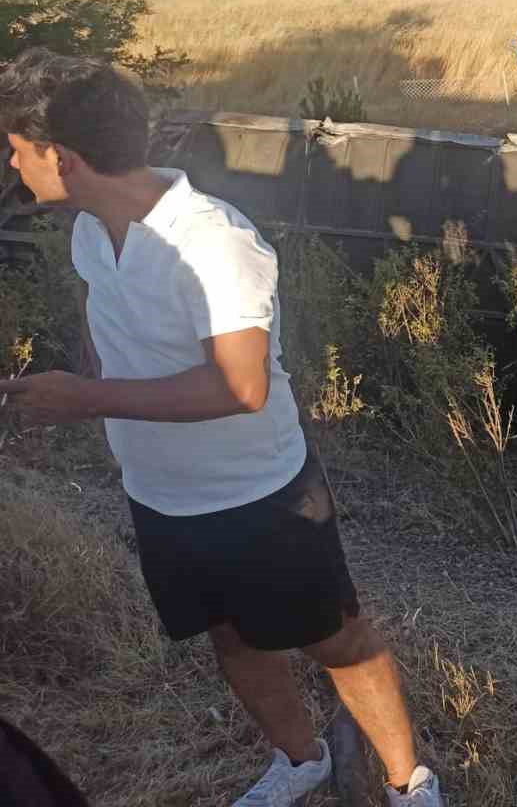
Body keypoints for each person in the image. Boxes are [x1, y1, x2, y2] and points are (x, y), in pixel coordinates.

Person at [0, 50, 445, 807]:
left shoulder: (213, 242)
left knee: (335, 638)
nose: (10, 161)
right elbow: (102, 322)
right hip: (161, 493)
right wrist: (74, 388)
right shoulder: (88, 231)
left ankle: (408, 784)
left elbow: (238, 387)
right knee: (231, 635)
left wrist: (89, 398)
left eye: (15, 147)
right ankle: (301, 761)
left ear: (62, 157)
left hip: (259, 494)